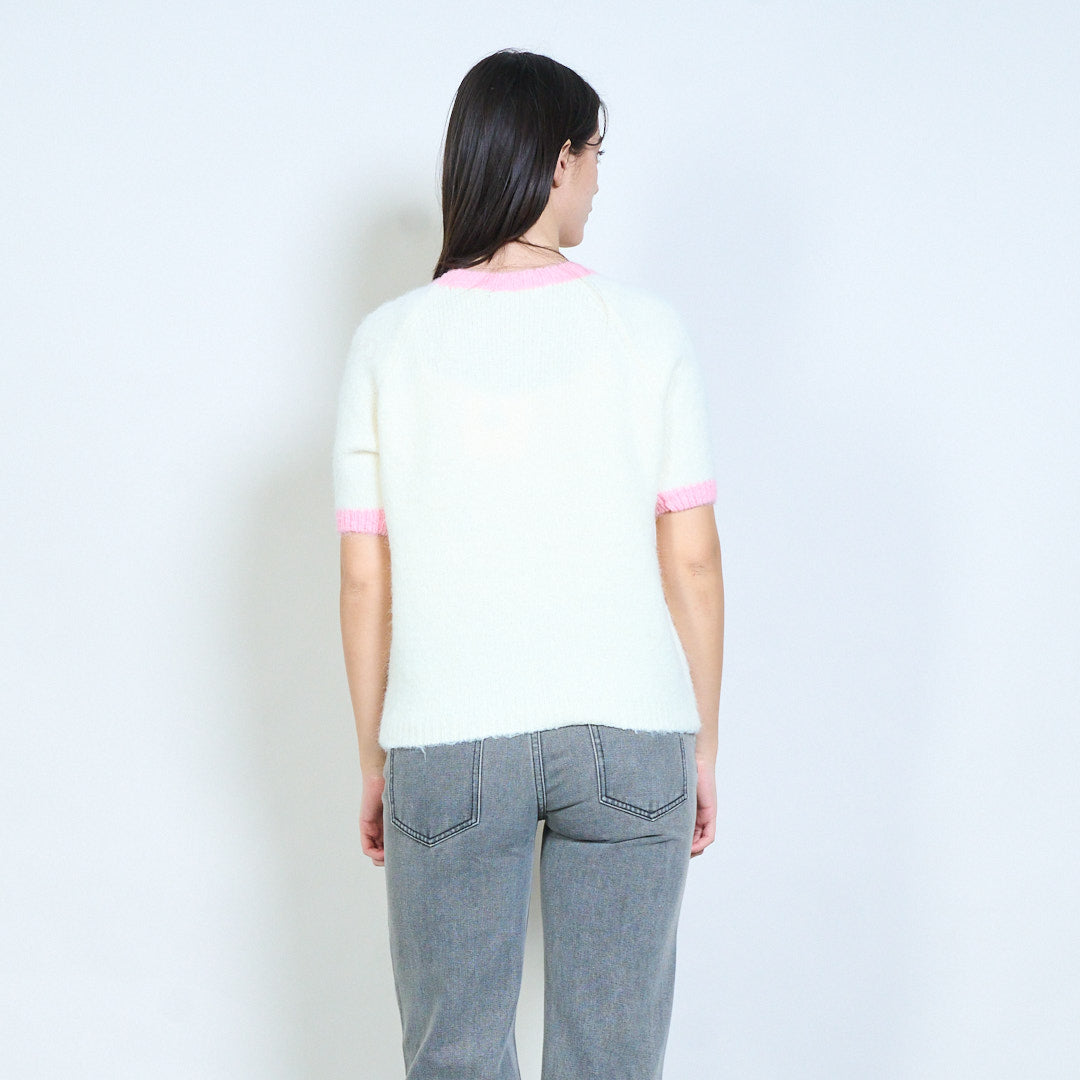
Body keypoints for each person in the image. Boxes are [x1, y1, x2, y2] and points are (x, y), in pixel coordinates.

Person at [334, 47, 725, 1080]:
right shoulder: (647, 331)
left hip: (447, 740)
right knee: (613, 1057)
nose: (598, 180)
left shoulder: (387, 342)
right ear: (558, 162)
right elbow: (692, 561)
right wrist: (703, 744)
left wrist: (376, 760)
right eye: (595, 155)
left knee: (453, 1055)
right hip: (631, 734)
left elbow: (366, 579)